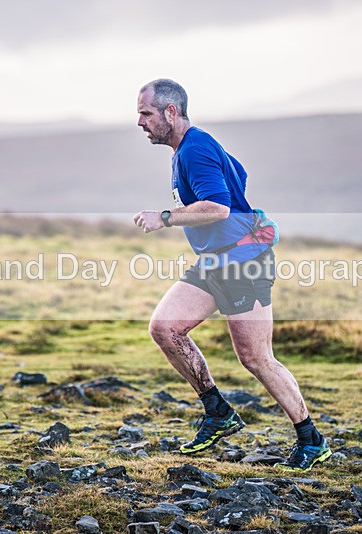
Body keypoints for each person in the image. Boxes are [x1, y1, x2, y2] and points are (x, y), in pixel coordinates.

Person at [133, 79, 331, 471]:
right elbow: (238, 174)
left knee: (256, 358)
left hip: (244, 264)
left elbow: (220, 208)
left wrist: (166, 218)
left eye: (146, 113)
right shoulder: (188, 150)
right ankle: (218, 411)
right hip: (214, 262)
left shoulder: (196, 148)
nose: (140, 122)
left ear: (171, 112)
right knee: (164, 327)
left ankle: (312, 440)